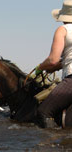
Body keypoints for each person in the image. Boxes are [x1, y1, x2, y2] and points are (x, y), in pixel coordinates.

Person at [35, 0, 72, 128]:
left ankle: (53, 146)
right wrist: (54, 67)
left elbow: (53, 60)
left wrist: (40, 67)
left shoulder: (63, 30)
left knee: (43, 112)